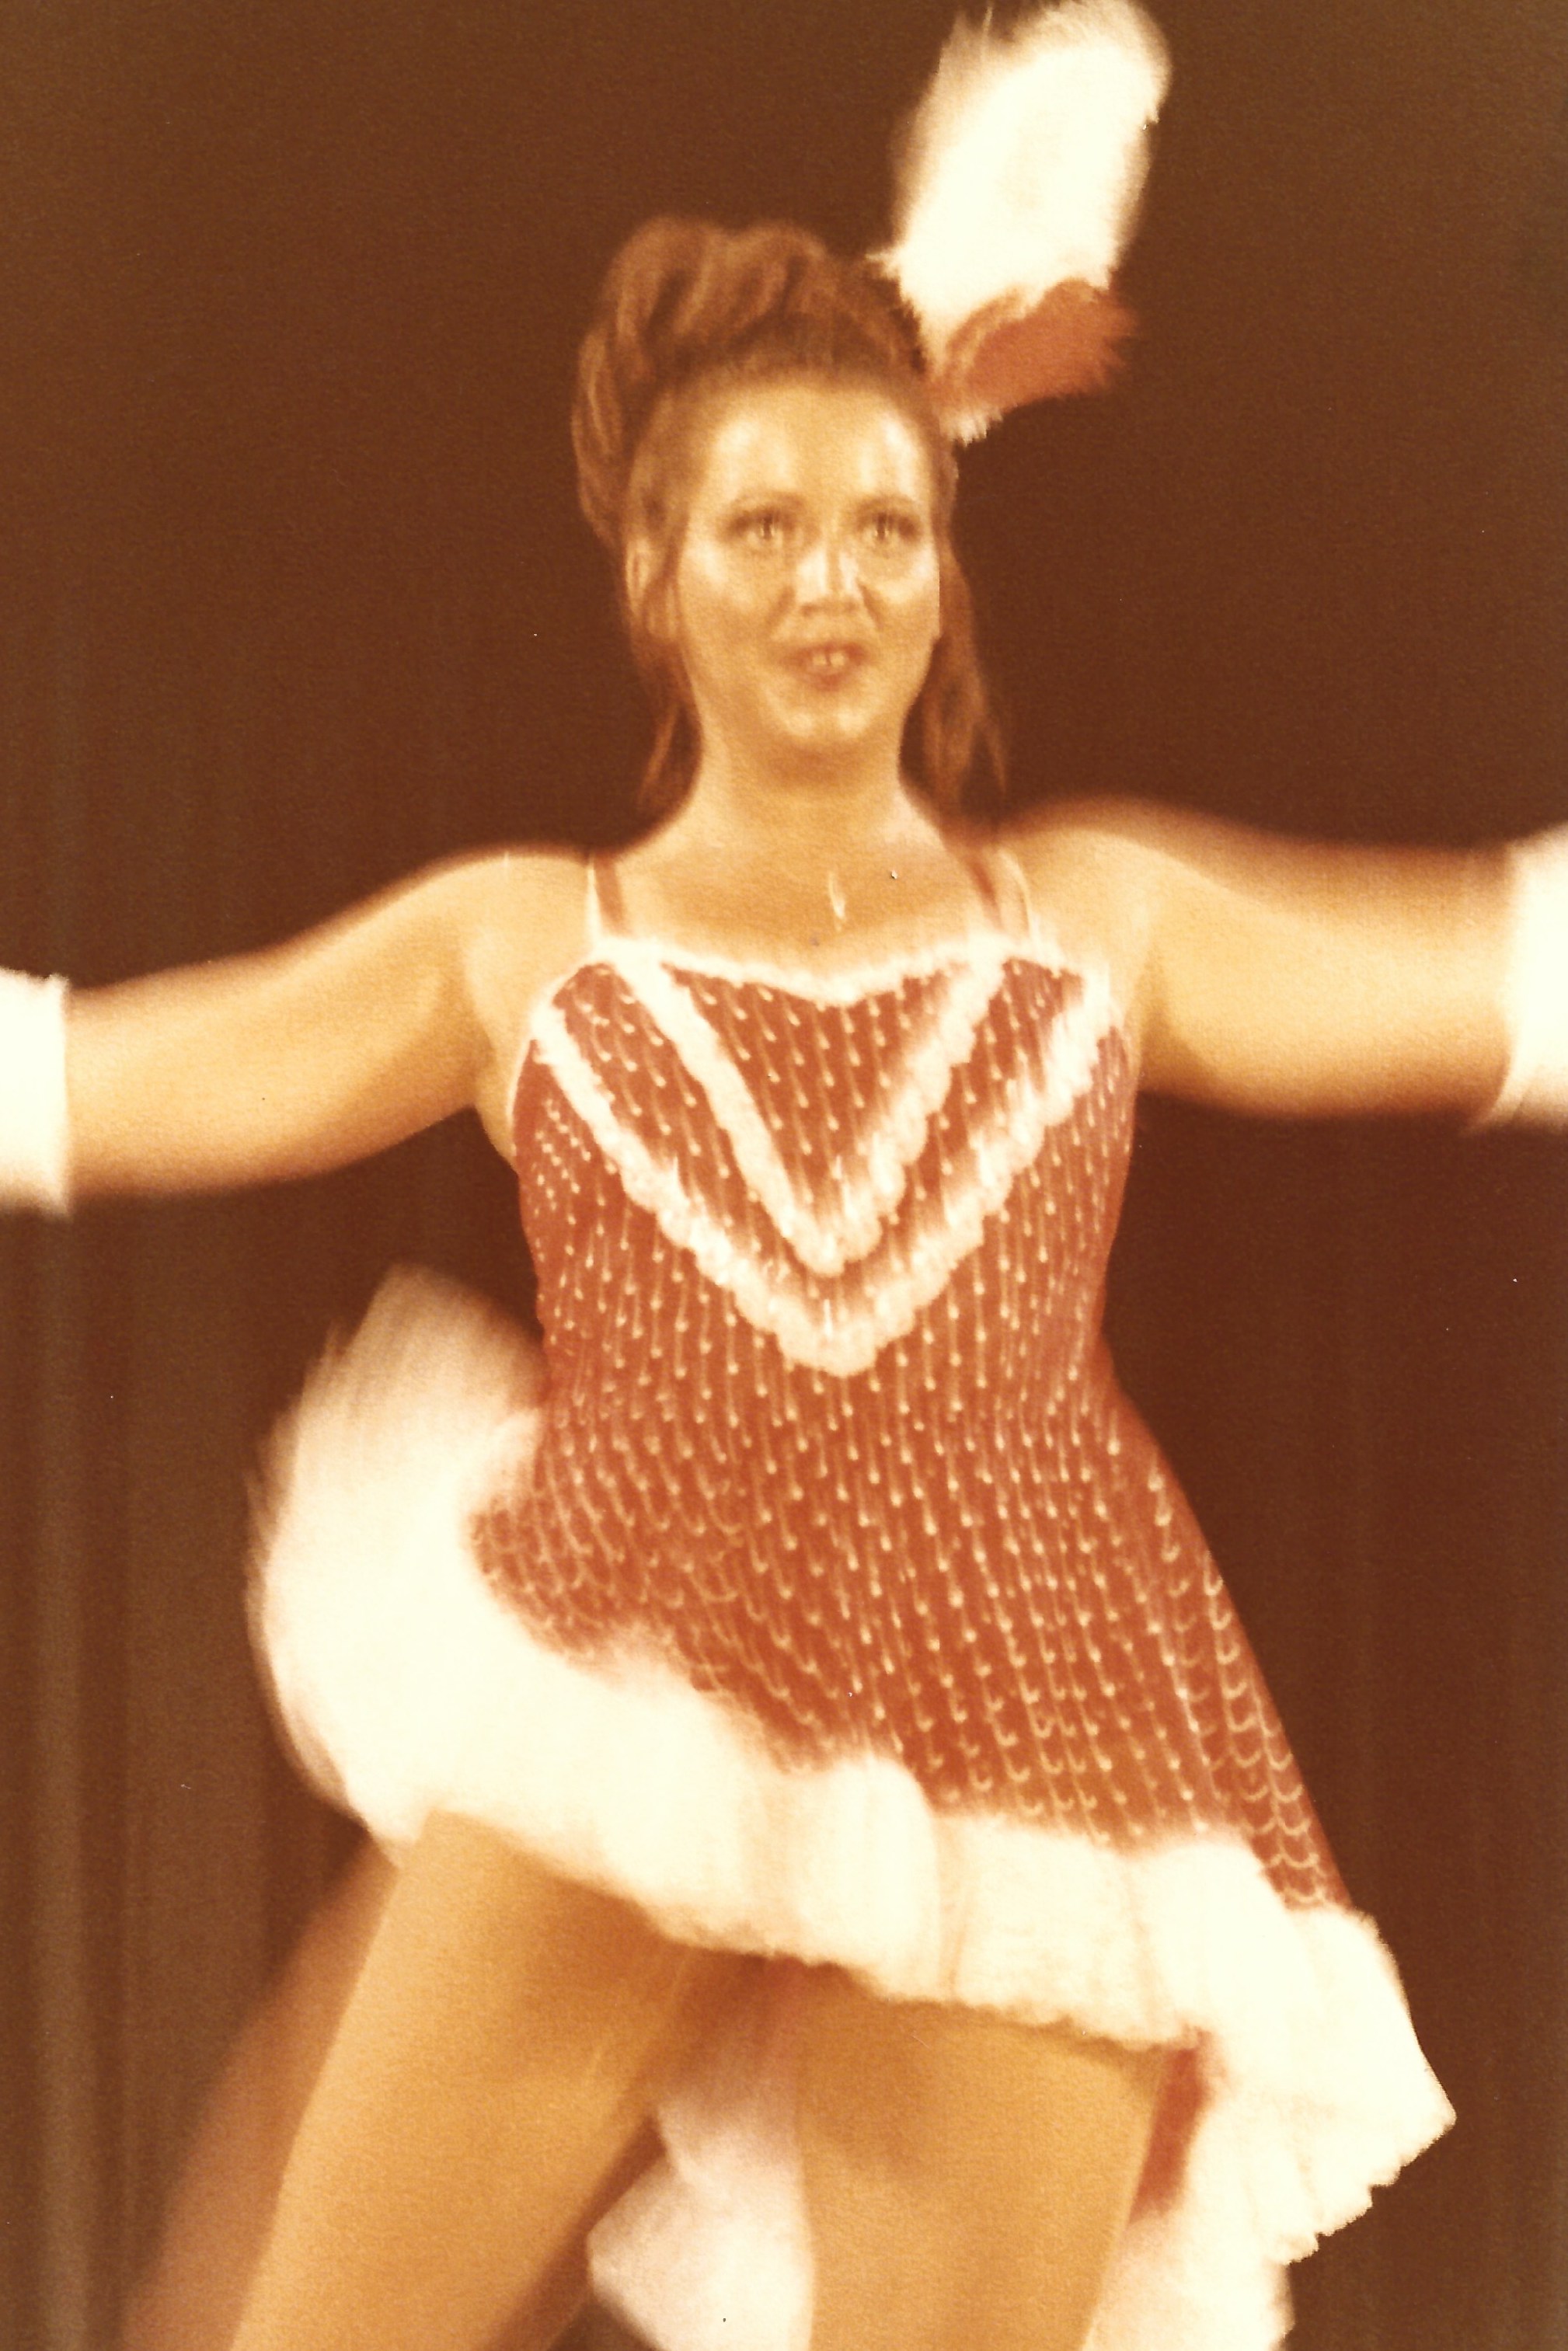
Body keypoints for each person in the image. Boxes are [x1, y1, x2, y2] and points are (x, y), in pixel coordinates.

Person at [4, 68, 1567, 2351]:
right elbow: (103, 1082)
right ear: (655, 574)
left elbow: (1488, 971)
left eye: (883, 526)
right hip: (635, 1650)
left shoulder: (1090, 919)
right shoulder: (524, 942)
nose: (830, 581)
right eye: (760, 528)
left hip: (1033, 1711)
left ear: (946, 563)